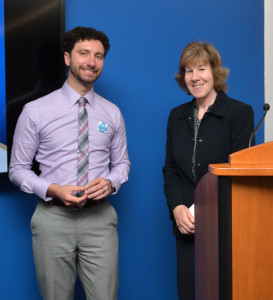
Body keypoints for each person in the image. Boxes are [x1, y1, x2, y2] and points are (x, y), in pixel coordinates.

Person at [9, 26, 130, 300]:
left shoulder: (112, 113)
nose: (91, 62)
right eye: (84, 53)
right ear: (67, 58)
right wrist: (53, 188)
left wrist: (111, 182)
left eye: (98, 56)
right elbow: (17, 170)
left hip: (99, 220)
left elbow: (122, 163)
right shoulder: (35, 111)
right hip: (53, 220)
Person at [162, 41, 254, 300]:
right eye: (188, 71)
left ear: (214, 71)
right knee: (190, 293)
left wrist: (211, 211)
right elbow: (170, 170)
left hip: (225, 225)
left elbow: (241, 172)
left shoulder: (239, 113)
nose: (195, 77)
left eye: (201, 68)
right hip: (186, 226)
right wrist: (177, 208)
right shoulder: (176, 116)